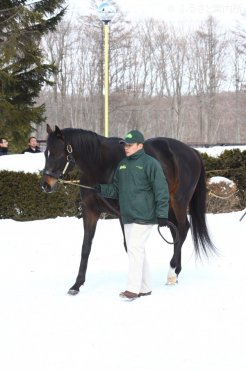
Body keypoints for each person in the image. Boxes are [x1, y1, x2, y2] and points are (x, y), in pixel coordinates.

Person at [96, 130, 169, 300]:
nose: (126, 148)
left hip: (144, 215)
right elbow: (116, 190)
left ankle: (132, 289)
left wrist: (163, 214)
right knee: (136, 250)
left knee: (134, 249)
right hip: (127, 215)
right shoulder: (122, 165)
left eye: (129, 145)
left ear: (140, 146)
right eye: (124, 145)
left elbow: (161, 190)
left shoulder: (150, 163)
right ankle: (145, 287)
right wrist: (102, 189)